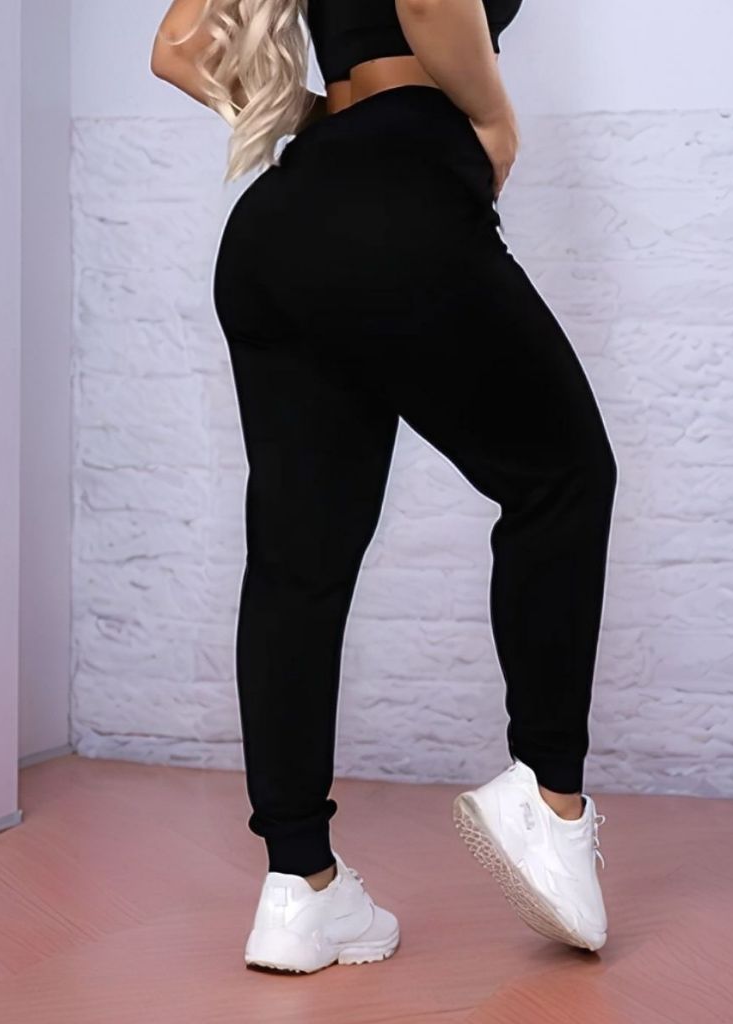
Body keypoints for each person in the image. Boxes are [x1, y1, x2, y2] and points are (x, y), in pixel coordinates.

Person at [151, 0, 616, 974]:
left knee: (297, 562)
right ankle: (549, 798)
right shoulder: (454, 128)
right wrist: (493, 118)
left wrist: (311, 116)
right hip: (399, 188)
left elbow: (180, 48)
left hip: (280, 222)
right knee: (564, 477)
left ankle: (299, 888)